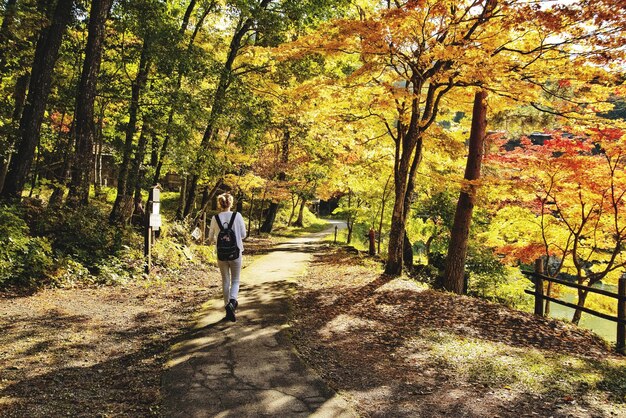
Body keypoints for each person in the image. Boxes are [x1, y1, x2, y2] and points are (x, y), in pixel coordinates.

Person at [208, 192, 247, 322]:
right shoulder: (238, 216)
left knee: (225, 280)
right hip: (236, 252)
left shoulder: (215, 218)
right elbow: (243, 234)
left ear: (220, 204)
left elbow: (210, 237)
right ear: (231, 203)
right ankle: (232, 302)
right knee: (235, 280)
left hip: (221, 254)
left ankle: (227, 309)